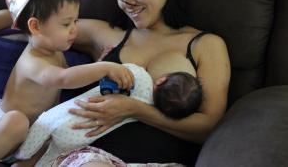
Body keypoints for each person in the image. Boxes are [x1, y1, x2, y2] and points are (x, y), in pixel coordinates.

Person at [0, 0, 230, 166]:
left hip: (162, 158)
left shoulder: (205, 45)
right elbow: (26, 19)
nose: (127, 2)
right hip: (91, 157)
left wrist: (136, 110)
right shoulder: (106, 33)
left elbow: (208, 126)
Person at [0, 0, 134, 167]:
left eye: (75, 21)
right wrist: (104, 67)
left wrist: (95, 65)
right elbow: (64, 78)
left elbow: (74, 78)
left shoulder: (55, 50)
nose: (74, 29)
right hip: (4, 135)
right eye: (66, 24)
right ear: (35, 26)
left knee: (54, 139)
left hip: (32, 141)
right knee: (16, 120)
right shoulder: (32, 62)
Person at [14, 51, 202, 166]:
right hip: (77, 142)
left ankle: (18, 156)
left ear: (161, 79)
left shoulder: (140, 77)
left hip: (68, 130)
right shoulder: (153, 107)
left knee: (35, 146)